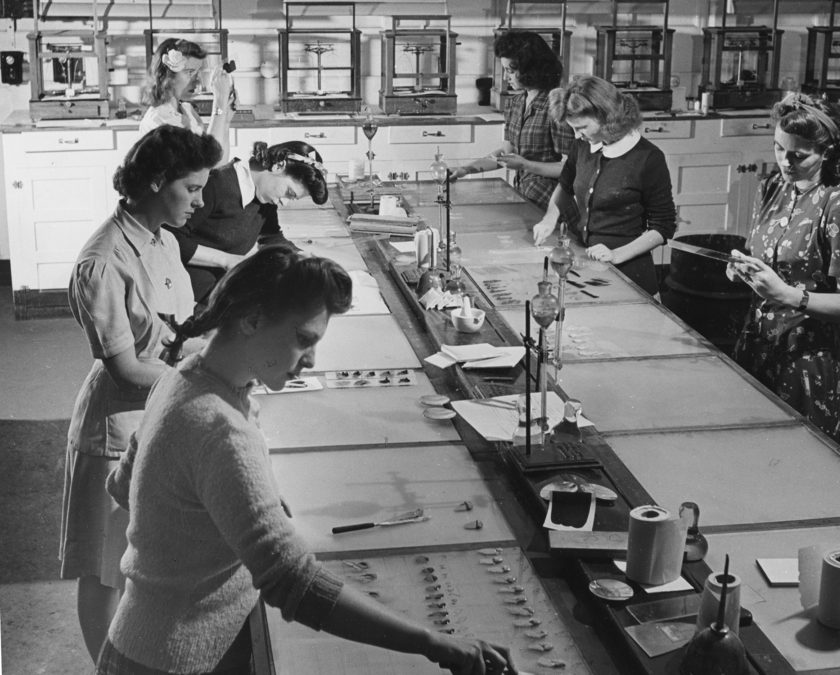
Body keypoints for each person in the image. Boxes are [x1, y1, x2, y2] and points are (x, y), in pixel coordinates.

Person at [99, 247, 516, 675]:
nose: (312, 360)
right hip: (175, 660)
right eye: (304, 339)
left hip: (139, 643)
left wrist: (230, 507)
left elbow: (124, 485)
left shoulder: (182, 377)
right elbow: (293, 582)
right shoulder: (222, 431)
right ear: (252, 320)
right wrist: (434, 642)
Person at [61, 126, 222, 663]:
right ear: (156, 182)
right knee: (107, 568)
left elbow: (170, 332)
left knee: (144, 559)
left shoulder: (163, 240)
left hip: (161, 415)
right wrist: (208, 376)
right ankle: (106, 669)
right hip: (117, 427)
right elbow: (128, 369)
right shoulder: (103, 261)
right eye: (193, 189)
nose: (200, 201)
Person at [727, 93, 840, 444]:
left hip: (804, 361)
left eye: (798, 154)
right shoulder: (774, 187)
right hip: (755, 347)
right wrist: (743, 268)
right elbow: (765, 256)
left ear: (828, 151)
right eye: (779, 148)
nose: (785, 162)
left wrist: (786, 294)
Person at [533, 75, 677, 296]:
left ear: (607, 117)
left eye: (581, 127)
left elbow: (663, 226)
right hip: (589, 266)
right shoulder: (582, 145)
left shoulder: (648, 158)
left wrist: (616, 254)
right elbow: (565, 185)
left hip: (631, 274)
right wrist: (549, 219)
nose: (576, 135)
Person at [167, 140, 329, 303]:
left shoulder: (264, 196)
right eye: (289, 193)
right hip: (182, 293)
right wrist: (226, 259)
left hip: (221, 288)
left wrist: (300, 257)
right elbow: (167, 237)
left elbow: (270, 235)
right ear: (278, 166)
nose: (284, 202)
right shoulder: (216, 184)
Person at [451, 31, 574, 212]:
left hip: (552, 203)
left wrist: (526, 165)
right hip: (524, 196)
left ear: (531, 69)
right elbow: (506, 153)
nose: (505, 76)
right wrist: (466, 169)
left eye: (511, 70)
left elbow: (570, 168)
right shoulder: (515, 103)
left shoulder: (557, 105)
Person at [140, 38, 234, 164]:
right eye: (190, 72)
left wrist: (225, 121)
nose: (198, 80)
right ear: (168, 76)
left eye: (198, 72)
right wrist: (219, 103)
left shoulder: (187, 111)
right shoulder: (158, 120)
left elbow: (219, 163)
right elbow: (205, 164)